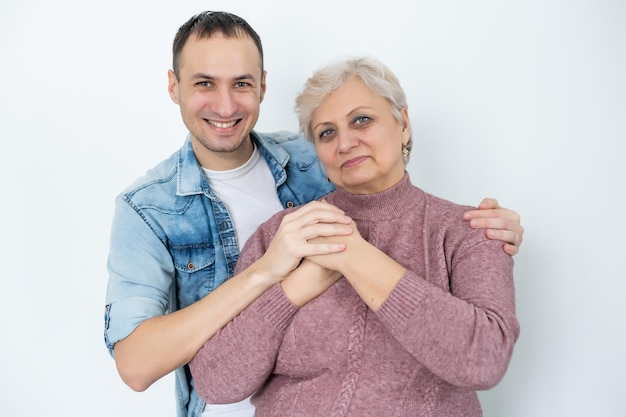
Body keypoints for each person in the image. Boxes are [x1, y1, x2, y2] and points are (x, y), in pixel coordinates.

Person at [103, 11, 524, 417]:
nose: (345, 144)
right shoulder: (150, 210)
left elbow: (481, 359)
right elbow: (151, 369)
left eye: (362, 120)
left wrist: (486, 235)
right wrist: (275, 276)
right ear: (174, 87)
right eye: (204, 83)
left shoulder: (305, 159)